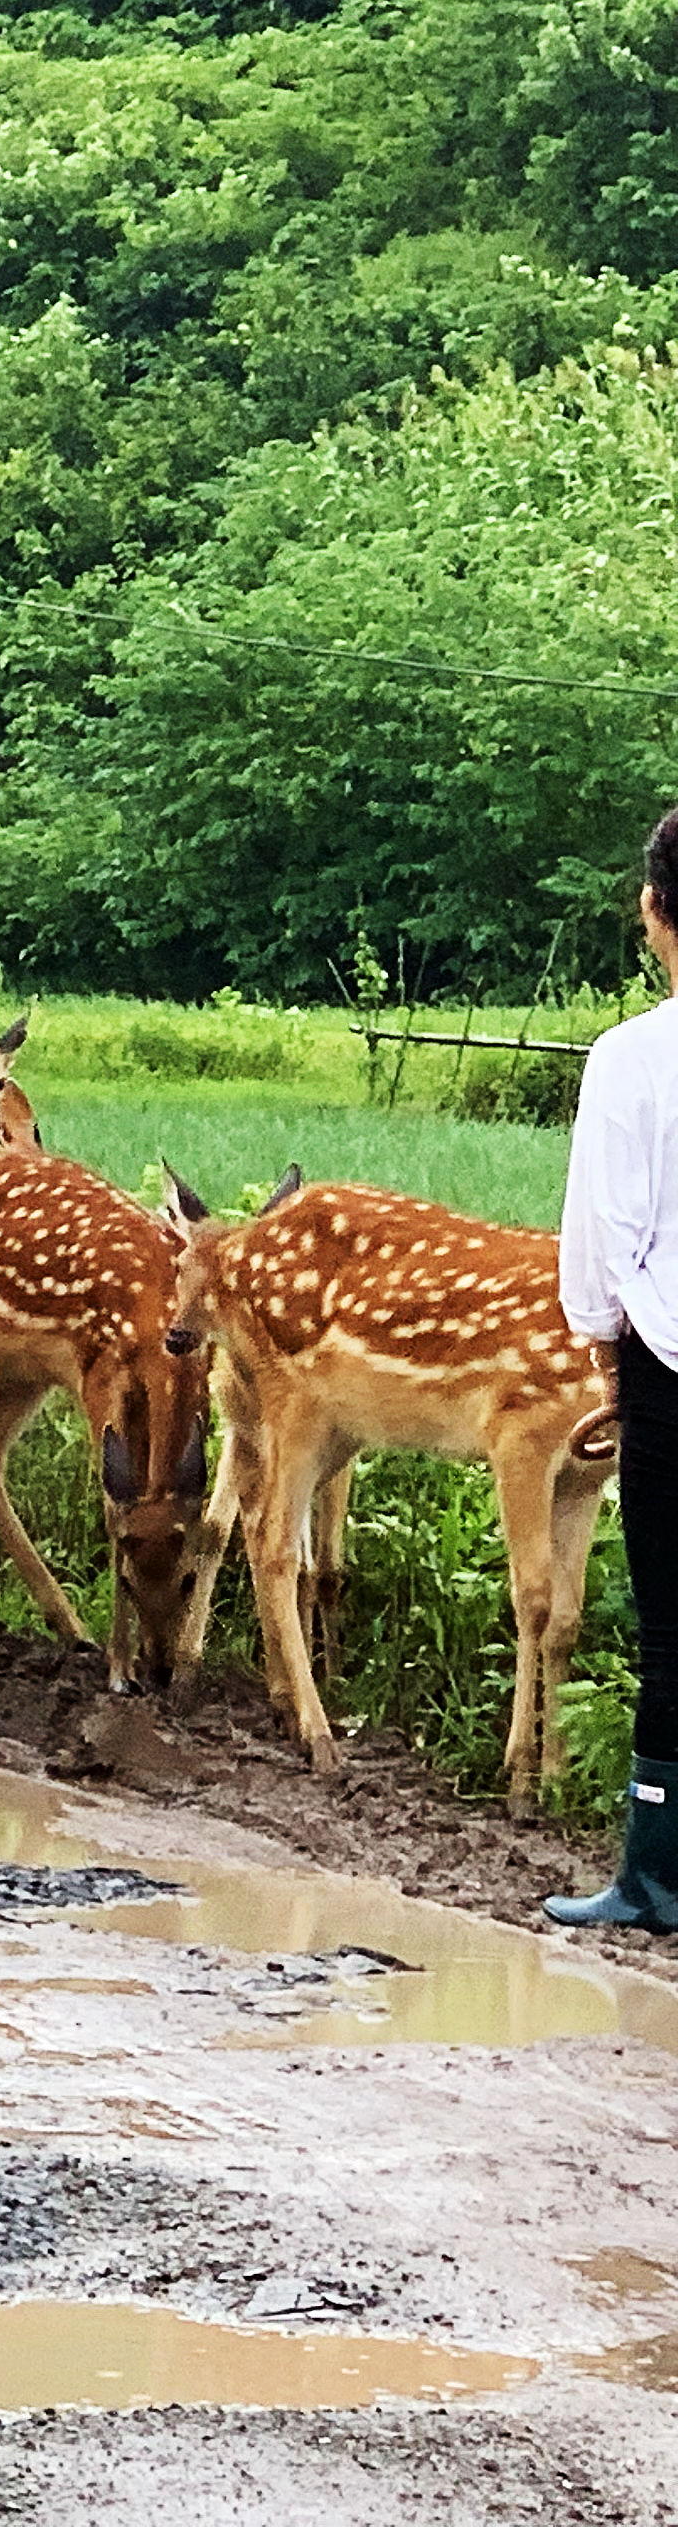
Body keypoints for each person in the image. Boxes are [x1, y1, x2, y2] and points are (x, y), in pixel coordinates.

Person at [557, 801, 678, 1930]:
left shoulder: (635, 1056)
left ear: (654, 912)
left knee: (673, 1621)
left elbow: (606, 1233)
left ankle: (652, 1877)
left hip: (670, 1373)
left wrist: (605, 1361)